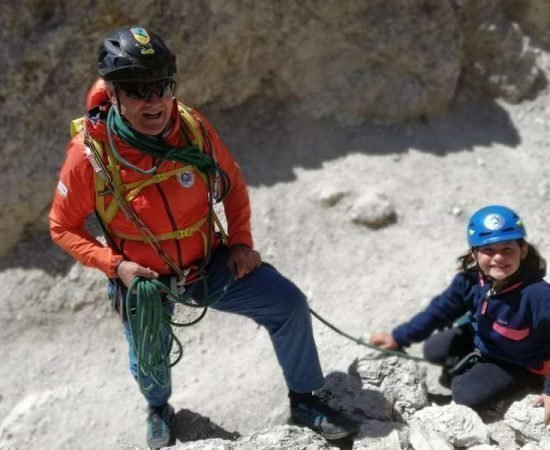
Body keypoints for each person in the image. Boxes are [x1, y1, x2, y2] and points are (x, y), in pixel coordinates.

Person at [49, 26, 355, 448]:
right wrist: (115, 266)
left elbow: (232, 184)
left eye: (162, 86)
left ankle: (304, 399)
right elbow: (62, 227)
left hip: (207, 263)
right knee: (149, 364)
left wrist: (242, 243)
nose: (153, 100)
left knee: (288, 304)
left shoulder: (191, 128)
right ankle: (159, 409)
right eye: (138, 89)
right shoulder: (89, 158)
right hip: (146, 282)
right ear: (115, 94)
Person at [369, 205, 550, 422]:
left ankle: (523, 379)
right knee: (432, 349)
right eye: (488, 250)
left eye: (507, 249)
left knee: (464, 395)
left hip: (516, 360)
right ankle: (473, 360)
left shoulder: (538, 295)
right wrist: (399, 337)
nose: (498, 258)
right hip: (481, 336)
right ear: (474, 252)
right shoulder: (470, 281)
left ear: (523, 250)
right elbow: (439, 310)